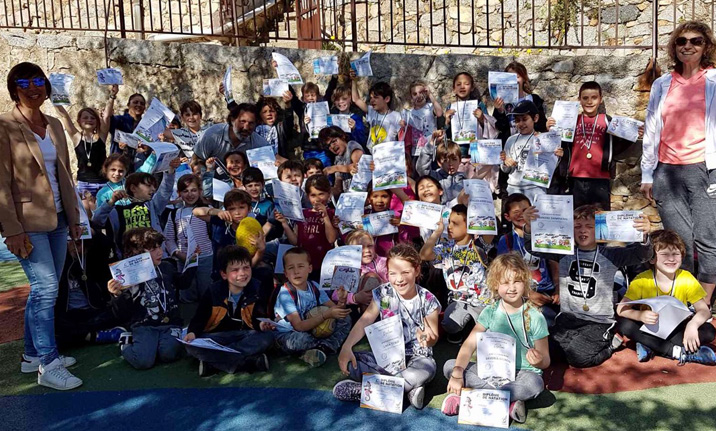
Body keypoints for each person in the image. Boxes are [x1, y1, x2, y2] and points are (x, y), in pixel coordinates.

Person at [0, 62, 83, 390]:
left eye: (39, 81)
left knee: (46, 288)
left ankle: (32, 355)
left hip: (60, 218)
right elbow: (1, 181)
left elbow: (64, 173)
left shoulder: (53, 125)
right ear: (14, 88)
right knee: (47, 288)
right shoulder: (4, 125)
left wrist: (75, 219)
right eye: (25, 82)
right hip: (27, 222)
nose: (34, 88)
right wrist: (12, 229)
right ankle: (48, 364)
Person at [641, 20, 716, 304]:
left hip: (705, 170)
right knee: (679, 241)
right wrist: (647, 174)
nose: (688, 46)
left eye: (696, 41)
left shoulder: (714, 81)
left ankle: (704, 302)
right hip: (667, 171)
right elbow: (651, 130)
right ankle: (684, 299)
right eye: (682, 41)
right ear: (674, 47)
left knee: (709, 239)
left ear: (706, 46)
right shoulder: (662, 84)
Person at [522, 204, 653, 368]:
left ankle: (611, 345)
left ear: (598, 230)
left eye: (589, 226)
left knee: (579, 358)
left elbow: (642, 255)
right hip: (567, 318)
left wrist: (645, 235)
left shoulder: (611, 254)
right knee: (548, 352)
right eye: (577, 226)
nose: (582, 230)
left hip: (598, 321)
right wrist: (527, 226)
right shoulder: (564, 250)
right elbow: (532, 247)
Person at [441, 254, 550, 424]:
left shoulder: (535, 316)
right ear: (495, 285)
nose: (512, 288)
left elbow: (545, 361)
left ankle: (466, 396)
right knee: (450, 365)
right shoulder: (490, 312)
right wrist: (457, 373)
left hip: (524, 373)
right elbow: (469, 344)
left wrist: (538, 361)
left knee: (536, 384)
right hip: (493, 371)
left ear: (525, 283)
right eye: (505, 283)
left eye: (517, 281)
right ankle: (508, 402)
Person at [333, 243, 441, 410]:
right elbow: (364, 320)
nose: (399, 279)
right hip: (387, 357)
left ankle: (365, 391)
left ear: (417, 271)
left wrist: (427, 338)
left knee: (425, 370)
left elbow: (433, 337)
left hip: (418, 358)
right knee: (351, 362)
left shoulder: (428, 300)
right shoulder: (382, 293)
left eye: (406, 272)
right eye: (393, 273)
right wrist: (346, 347)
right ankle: (408, 390)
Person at [616, 230, 716, 365]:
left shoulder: (686, 278)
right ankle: (678, 352)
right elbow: (621, 309)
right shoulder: (642, 279)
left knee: (709, 331)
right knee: (624, 324)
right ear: (651, 258)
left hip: (675, 328)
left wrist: (692, 325)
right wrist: (640, 315)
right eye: (664, 254)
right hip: (648, 326)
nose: (671, 259)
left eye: (676, 254)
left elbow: (704, 310)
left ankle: (650, 345)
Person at [183, 245, 275, 376]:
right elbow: (200, 317)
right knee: (191, 345)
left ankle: (213, 363)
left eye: (246, 268)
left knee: (267, 337)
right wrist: (192, 333)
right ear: (224, 274)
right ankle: (248, 362)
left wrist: (262, 324)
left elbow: (257, 317)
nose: (242, 273)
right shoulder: (213, 291)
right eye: (235, 270)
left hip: (245, 334)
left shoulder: (257, 288)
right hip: (217, 337)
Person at [553, 81, 640, 208]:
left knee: (600, 218)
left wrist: (634, 134)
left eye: (594, 98)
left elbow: (620, 142)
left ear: (600, 99)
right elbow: (562, 143)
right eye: (585, 98)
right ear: (579, 100)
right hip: (575, 177)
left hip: (600, 177)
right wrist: (550, 128)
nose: (589, 102)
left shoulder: (607, 120)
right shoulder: (571, 120)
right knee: (577, 217)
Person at [108, 228, 185, 370]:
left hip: (170, 323)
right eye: (153, 249)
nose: (160, 252)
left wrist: (193, 262)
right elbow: (121, 313)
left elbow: (183, 283)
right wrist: (116, 295)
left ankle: (160, 343)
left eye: (159, 247)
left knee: (169, 354)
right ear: (136, 253)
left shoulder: (166, 266)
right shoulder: (127, 277)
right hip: (144, 325)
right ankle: (126, 340)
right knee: (143, 362)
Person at [271, 247, 351, 367]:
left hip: (312, 329)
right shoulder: (285, 294)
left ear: (310, 268)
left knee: (346, 319)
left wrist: (342, 301)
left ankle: (322, 348)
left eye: (301, 266)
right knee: (302, 340)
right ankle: (323, 347)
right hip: (290, 334)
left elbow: (335, 310)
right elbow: (298, 326)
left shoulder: (314, 286)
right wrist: (325, 315)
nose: (296, 271)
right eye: (291, 268)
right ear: (286, 273)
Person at [420, 204, 488, 342]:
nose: (449, 227)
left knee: (489, 330)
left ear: (470, 225)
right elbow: (424, 255)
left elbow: (488, 229)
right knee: (449, 324)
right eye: (449, 222)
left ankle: (471, 326)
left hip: (482, 301)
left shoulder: (480, 245)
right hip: (458, 301)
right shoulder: (446, 248)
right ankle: (459, 330)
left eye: (455, 223)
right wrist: (437, 233)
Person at [92, 162, 180, 257]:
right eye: (148, 185)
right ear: (133, 188)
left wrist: (170, 171)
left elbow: (165, 191)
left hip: (155, 258)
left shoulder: (153, 206)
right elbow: (96, 222)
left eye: (154, 186)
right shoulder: (116, 210)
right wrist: (111, 202)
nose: (153, 189)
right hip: (128, 262)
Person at [497, 193, 560, 325]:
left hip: (547, 292)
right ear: (507, 217)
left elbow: (553, 262)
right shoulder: (506, 240)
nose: (522, 215)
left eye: (526, 211)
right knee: (542, 319)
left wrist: (558, 288)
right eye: (516, 212)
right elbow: (503, 273)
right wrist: (528, 294)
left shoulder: (545, 236)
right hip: (520, 294)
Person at [54, 84, 117, 197]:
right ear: (79, 121)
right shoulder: (76, 137)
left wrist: (112, 95)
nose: (89, 120)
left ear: (97, 121)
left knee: (103, 213)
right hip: (85, 184)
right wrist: (53, 96)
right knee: (86, 213)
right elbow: (64, 116)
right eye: (85, 117)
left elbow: (106, 116)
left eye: (93, 118)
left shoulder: (101, 136)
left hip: (103, 183)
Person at [275, 175, 337, 281]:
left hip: (324, 265)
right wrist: (284, 223)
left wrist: (326, 216)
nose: (317, 199)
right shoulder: (303, 213)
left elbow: (331, 239)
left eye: (321, 194)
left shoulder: (332, 214)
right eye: (313, 195)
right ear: (308, 196)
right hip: (303, 266)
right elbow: (295, 241)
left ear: (328, 194)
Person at [501, 100, 564, 203]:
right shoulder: (510, 140)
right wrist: (506, 163)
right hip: (514, 189)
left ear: (535, 118)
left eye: (525, 119)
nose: (521, 124)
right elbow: (505, 169)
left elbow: (550, 167)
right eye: (517, 120)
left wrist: (558, 156)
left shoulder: (544, 139)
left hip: (535, 189)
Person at [163, 174, 213, 302]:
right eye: (185, 191)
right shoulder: (174, 214)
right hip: (183, 259)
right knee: (186, 292)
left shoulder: (208, 210)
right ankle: (188, 317)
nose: (190, 194)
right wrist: (178, 253)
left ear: (200, 191)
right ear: (179, 193)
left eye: (193, 190)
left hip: (205, 258)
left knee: (206, 291)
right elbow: (168, 238)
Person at [193, 103, 276, 162]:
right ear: (232, 120)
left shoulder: (259, 143)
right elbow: (196, 161)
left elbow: (273, 160)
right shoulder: (212, 135)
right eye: (242, 122)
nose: (246, 128)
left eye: (251, 123)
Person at [351, 79, 402, 150]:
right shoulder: (372, 111)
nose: (372, 100)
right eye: (371, 97)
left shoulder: (396, 116)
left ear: (387, 99)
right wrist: (354, 80)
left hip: (387, 155)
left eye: (376, 97)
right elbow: (356, 100)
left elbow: (401, 140)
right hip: (371, 154)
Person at [416, 134, 465, 203]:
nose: (450, 163)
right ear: (439, 163)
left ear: (460, 160)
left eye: (454, 159)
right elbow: (421, 168)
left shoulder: (465, 179)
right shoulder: (434, 177)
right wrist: (431, 144)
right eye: (445, 161)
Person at [319, 126, 364, 196]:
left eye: (334, 141)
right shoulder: (337, 160)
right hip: (348, 199)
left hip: (362, 195)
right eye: (328, 146)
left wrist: (334, 168)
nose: (332, 147)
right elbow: (338, 189)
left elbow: (358, 167)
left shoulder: (352, 145)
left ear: (342, 137)